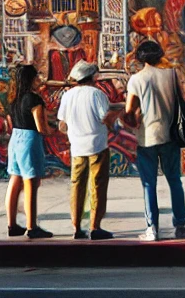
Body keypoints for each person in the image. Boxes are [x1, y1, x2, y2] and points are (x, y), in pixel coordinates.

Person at [125, 39, 185, 242]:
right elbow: (181, 102)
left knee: (149, 184)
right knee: (175, 181)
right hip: (170, 135)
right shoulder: (172, 75)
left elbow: (129, 112)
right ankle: (180, 225)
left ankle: (152, 228)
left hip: (147, 137)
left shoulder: (136, 80)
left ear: (140, 58)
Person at [57, 60, 112, 240]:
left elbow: (62, 124)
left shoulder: (67, 95)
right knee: (97, 185)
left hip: (77, 147)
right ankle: (95, 227)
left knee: (77, 185)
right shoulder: (97, 94)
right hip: (97, 145)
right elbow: (105, 118)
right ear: (92, 77)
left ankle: (76, 227)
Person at [4, 63, 52, 239]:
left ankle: (12, 224)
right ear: (31, 79)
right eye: (37, 76)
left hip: (15, 139)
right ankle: (32, 227)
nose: (39, 79)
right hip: (29, 140)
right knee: (31, 183)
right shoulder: (34, 99)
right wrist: (55, 132)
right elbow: (41, 127)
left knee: (15, 181)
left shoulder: (14, 99)